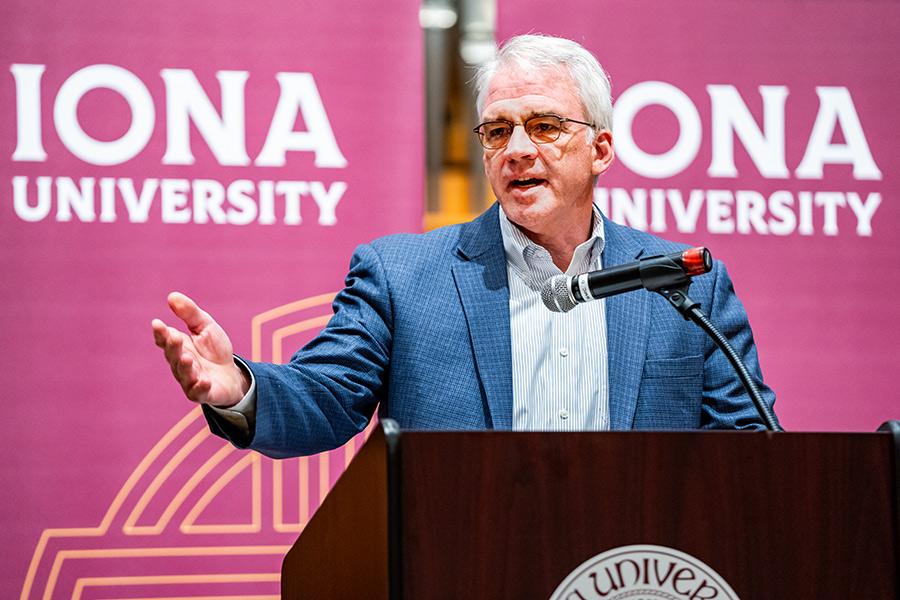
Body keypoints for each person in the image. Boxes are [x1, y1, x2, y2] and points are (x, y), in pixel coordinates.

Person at [152, 34, 777, 459]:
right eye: (498, 130)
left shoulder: (683, 282)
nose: (518, 149)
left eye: (546, 126)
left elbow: (753, 446)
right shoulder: (401, 276)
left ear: (602, 150)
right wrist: (238, 386)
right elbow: (328, 398)